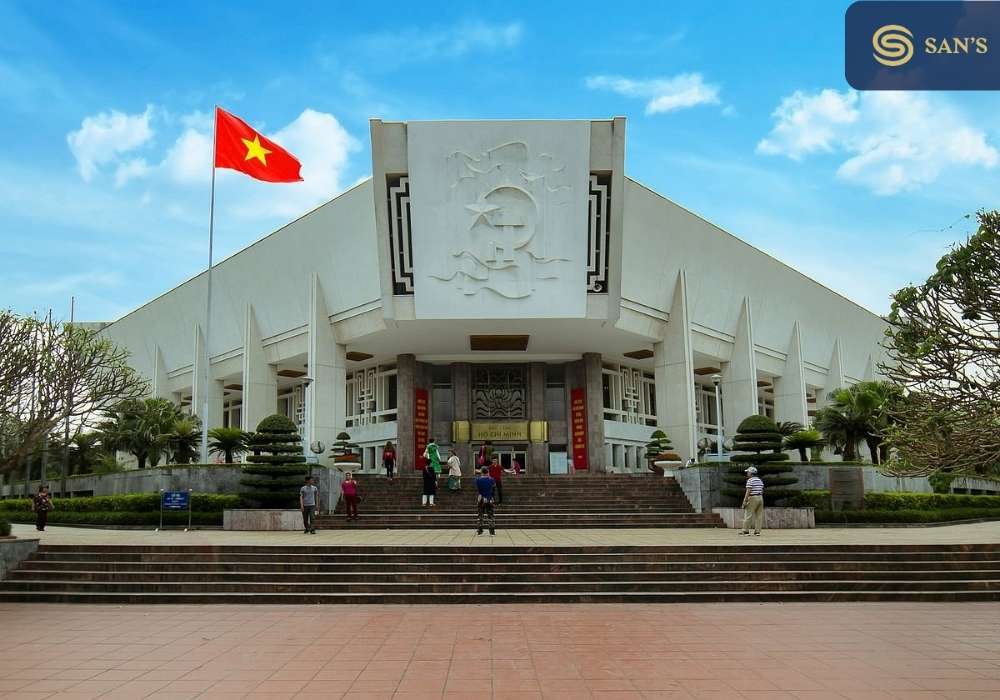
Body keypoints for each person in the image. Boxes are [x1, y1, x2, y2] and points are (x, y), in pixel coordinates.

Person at [740, 466, 765, 536]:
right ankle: (757, 531)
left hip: (752, 497)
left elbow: (748, 491)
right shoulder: (759, 480)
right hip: (760, 497)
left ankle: (745, 530)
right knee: (759, 515)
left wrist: (745, 501)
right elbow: (762, 490)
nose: (747, 473)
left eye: (748, 472)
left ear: (751, 473)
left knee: (748, 514)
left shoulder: (750, 480)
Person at [475, 466, 496, 537]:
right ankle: (492, 531)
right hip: (489, 498)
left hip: (481, 498)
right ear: (488, 472)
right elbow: (493, 489)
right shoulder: (492, 480)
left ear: (481, 472)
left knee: (480, 515)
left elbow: (478, 490)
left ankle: (480, 531)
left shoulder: (478, 480)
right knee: (490, 515)